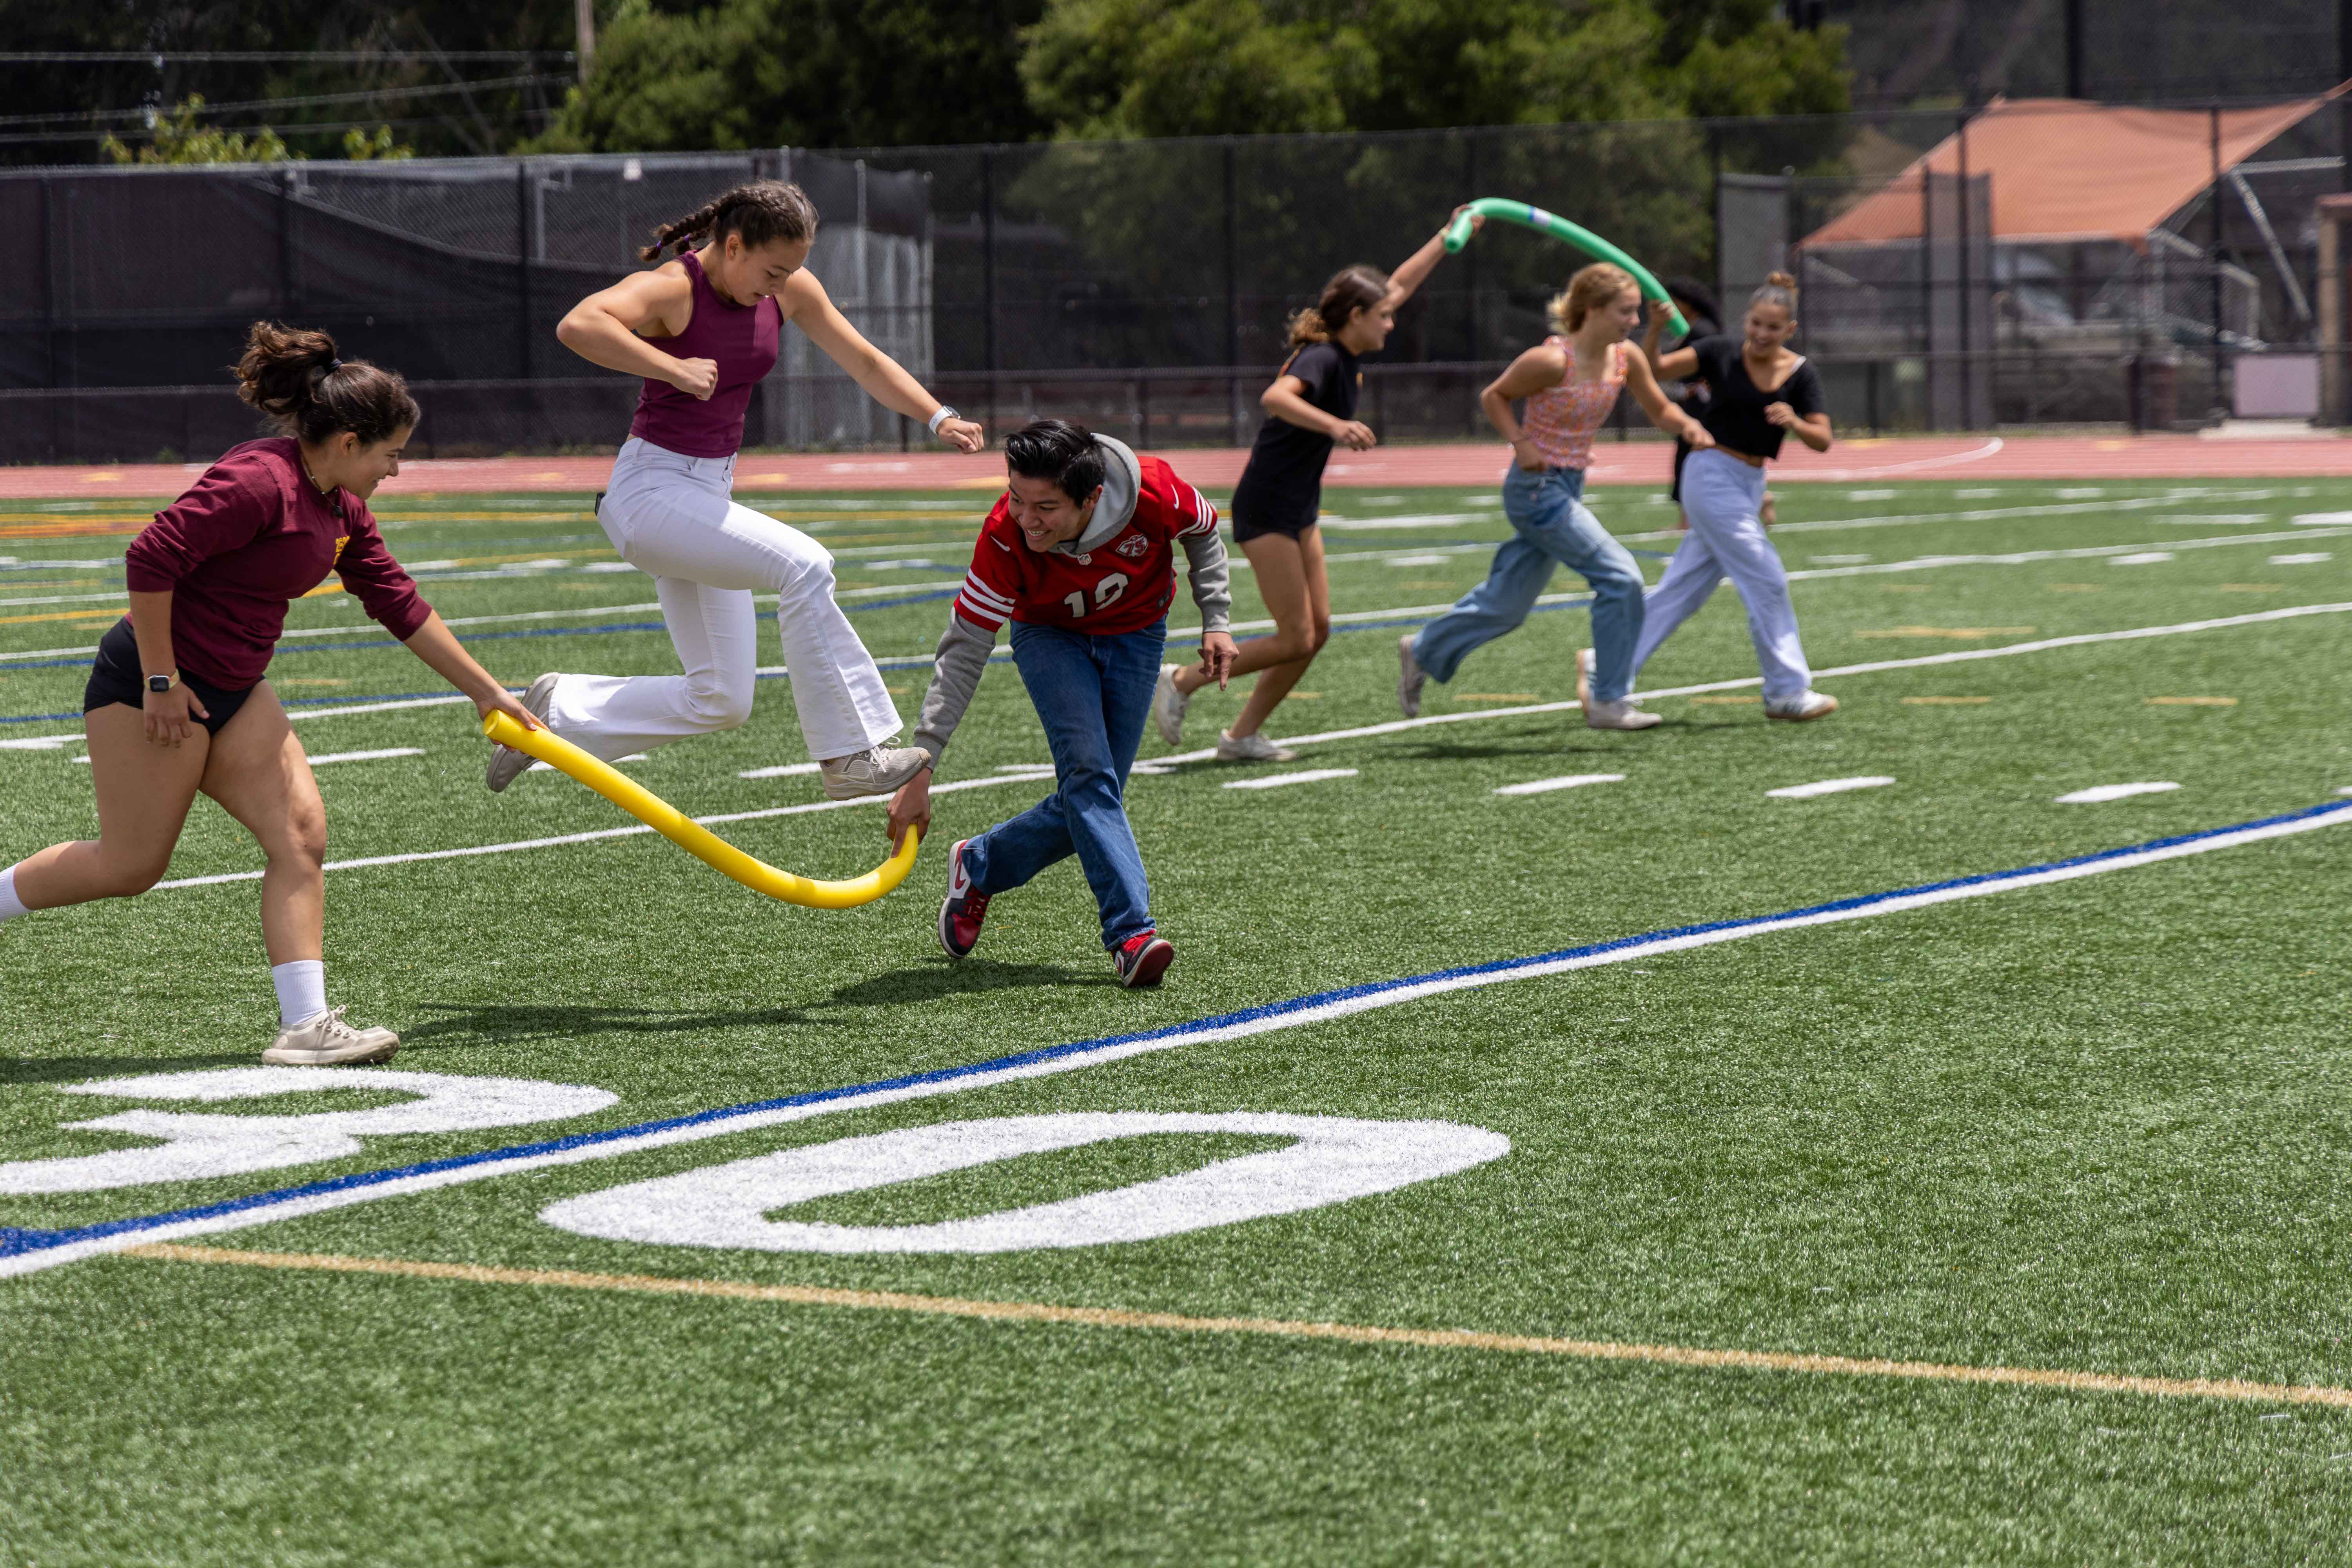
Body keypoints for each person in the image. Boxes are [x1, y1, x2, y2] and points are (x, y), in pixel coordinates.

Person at [0, 323, 541, 1065]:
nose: (396, 469)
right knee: (130, 867)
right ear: (350, 441)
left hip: (237, 689)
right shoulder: (261, 481)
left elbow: (398, 602)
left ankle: (305, 1028)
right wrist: (162, 680)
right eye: (392, 454)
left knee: (301, 837)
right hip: (153, 687)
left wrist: (489, 695)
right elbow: (151, 556)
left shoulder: (341, 507)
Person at [487, 180, 985, 799]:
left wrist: (940, 418)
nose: (780, 286)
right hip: (651, 493)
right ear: (733, 244)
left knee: (721, 699)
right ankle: (851, 755)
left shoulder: (788, 289)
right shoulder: (676, 287)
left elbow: (863, 360)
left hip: (704, 497)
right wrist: (672, 367)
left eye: (791, 272)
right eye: (773, 270)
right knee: (806, 566)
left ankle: (554, 711)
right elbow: (578, 325)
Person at [887, 420, 1236, 988]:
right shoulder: (1003, 535)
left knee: (1095, 798)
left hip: (1139, 633)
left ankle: (980, 864)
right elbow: (966, 647)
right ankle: (1131, 936)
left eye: (1045, 507)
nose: (1026, 519)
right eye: (1017, 498)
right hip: (1049, 638)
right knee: (1090, 779)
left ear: (1093, 497)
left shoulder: (1152, 490)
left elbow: (1204, 529)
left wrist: (1216, 619)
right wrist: (921, 763)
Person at [1151, 212, 1475, 761]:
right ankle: (1181, 680)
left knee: (1316, 632)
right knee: (1296, 636)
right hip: (1268, 507)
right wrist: (1336, 426)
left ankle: (1241, 737)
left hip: (1300, 508)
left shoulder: (1344, 348)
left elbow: (1399, 283)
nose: (1391, 325)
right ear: (1355, 316)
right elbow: (1276, 397)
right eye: (1384, 318)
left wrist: (1448, 238)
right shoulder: (1324, 357)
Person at [1397, 264, 1713, 729]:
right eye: (1624, 312)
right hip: (1537, 490)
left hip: (1570, 486)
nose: (1633, 321)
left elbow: (1658, 406)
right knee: (1622, 578)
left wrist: (1687, 425)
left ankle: (1424, 649)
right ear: (1592, 309)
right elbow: (1494, 397)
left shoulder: (1626, 357)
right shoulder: (1551, 361)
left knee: (1507, 605)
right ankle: (1608, 699)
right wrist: (1521, 445)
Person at [1631, 271, 1836, 720]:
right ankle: (1786, 690)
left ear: (1790, 331)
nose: (1761, 334)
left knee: (1683, 590)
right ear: (1747, 320)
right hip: (1709, 473)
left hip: (1750, 482)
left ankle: (1607, 668)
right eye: (1756, 324)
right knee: (1767, 579)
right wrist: (1653, 330)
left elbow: (1823, 438)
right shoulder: (1718, 351)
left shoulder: (1801, 373)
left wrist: (1795, 423)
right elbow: (1654, 371)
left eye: (1773, 327)